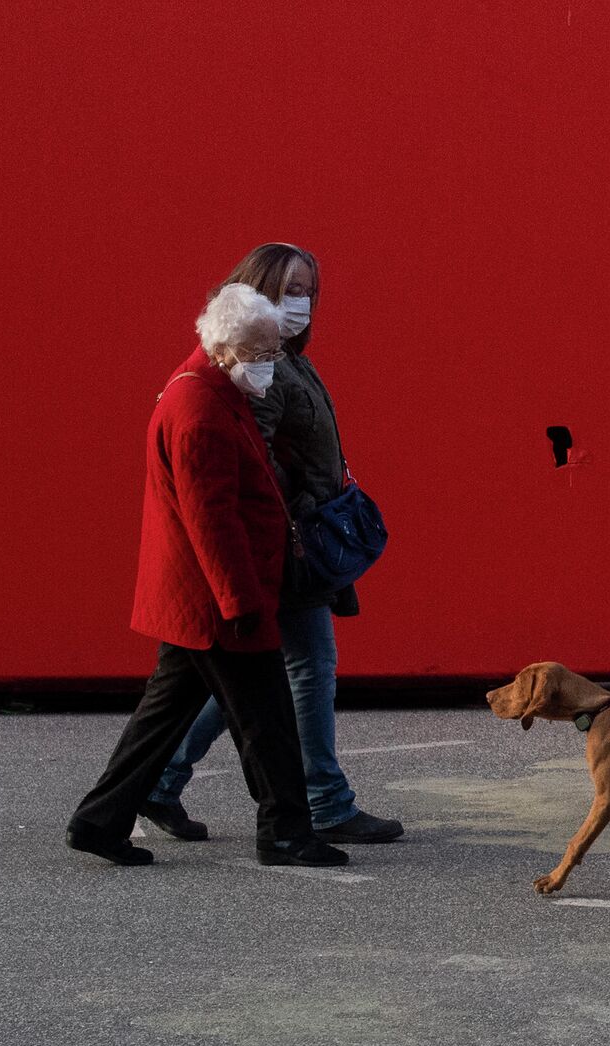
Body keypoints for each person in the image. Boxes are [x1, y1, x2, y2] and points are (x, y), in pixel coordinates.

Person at [66, 284, 347, 869]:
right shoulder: (200, 412)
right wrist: (241, 602)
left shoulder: (209, 387)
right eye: (263, 353)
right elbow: (210, 520)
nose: (271, 363)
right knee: (267, 721)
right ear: (224, 349)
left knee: (163, 717)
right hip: (219, 600)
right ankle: (287, 832)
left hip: (200, 598)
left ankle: (100, 820)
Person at [137, 244, 403, 846]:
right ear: (255, 292)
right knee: (309, 667)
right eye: (288, 291)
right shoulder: (264, 369)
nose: (300, 304)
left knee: (240, 678)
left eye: (308, 291)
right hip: (287, 544)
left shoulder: (287, 360)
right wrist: (296, 514)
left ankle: (160, 780)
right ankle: (325, 800)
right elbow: (249, 460)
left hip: (295, 538)